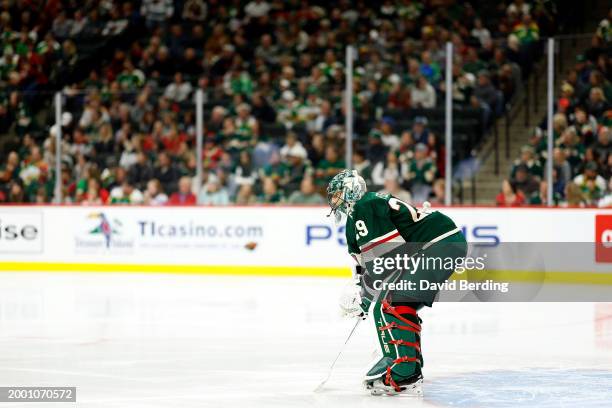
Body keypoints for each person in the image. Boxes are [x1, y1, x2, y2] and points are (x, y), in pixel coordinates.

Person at [327, 169, 467, 396]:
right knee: (398, 302)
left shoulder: (365, 206)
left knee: (390, 302)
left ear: (351, 191)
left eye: (337, 194)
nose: (334, 200)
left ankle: (404, 370)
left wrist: (365, 297)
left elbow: (390, 258)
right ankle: (409, 366)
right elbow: (368, 267)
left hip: (438, 245)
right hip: (440, 245)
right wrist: (362, 291)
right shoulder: (355, 220)